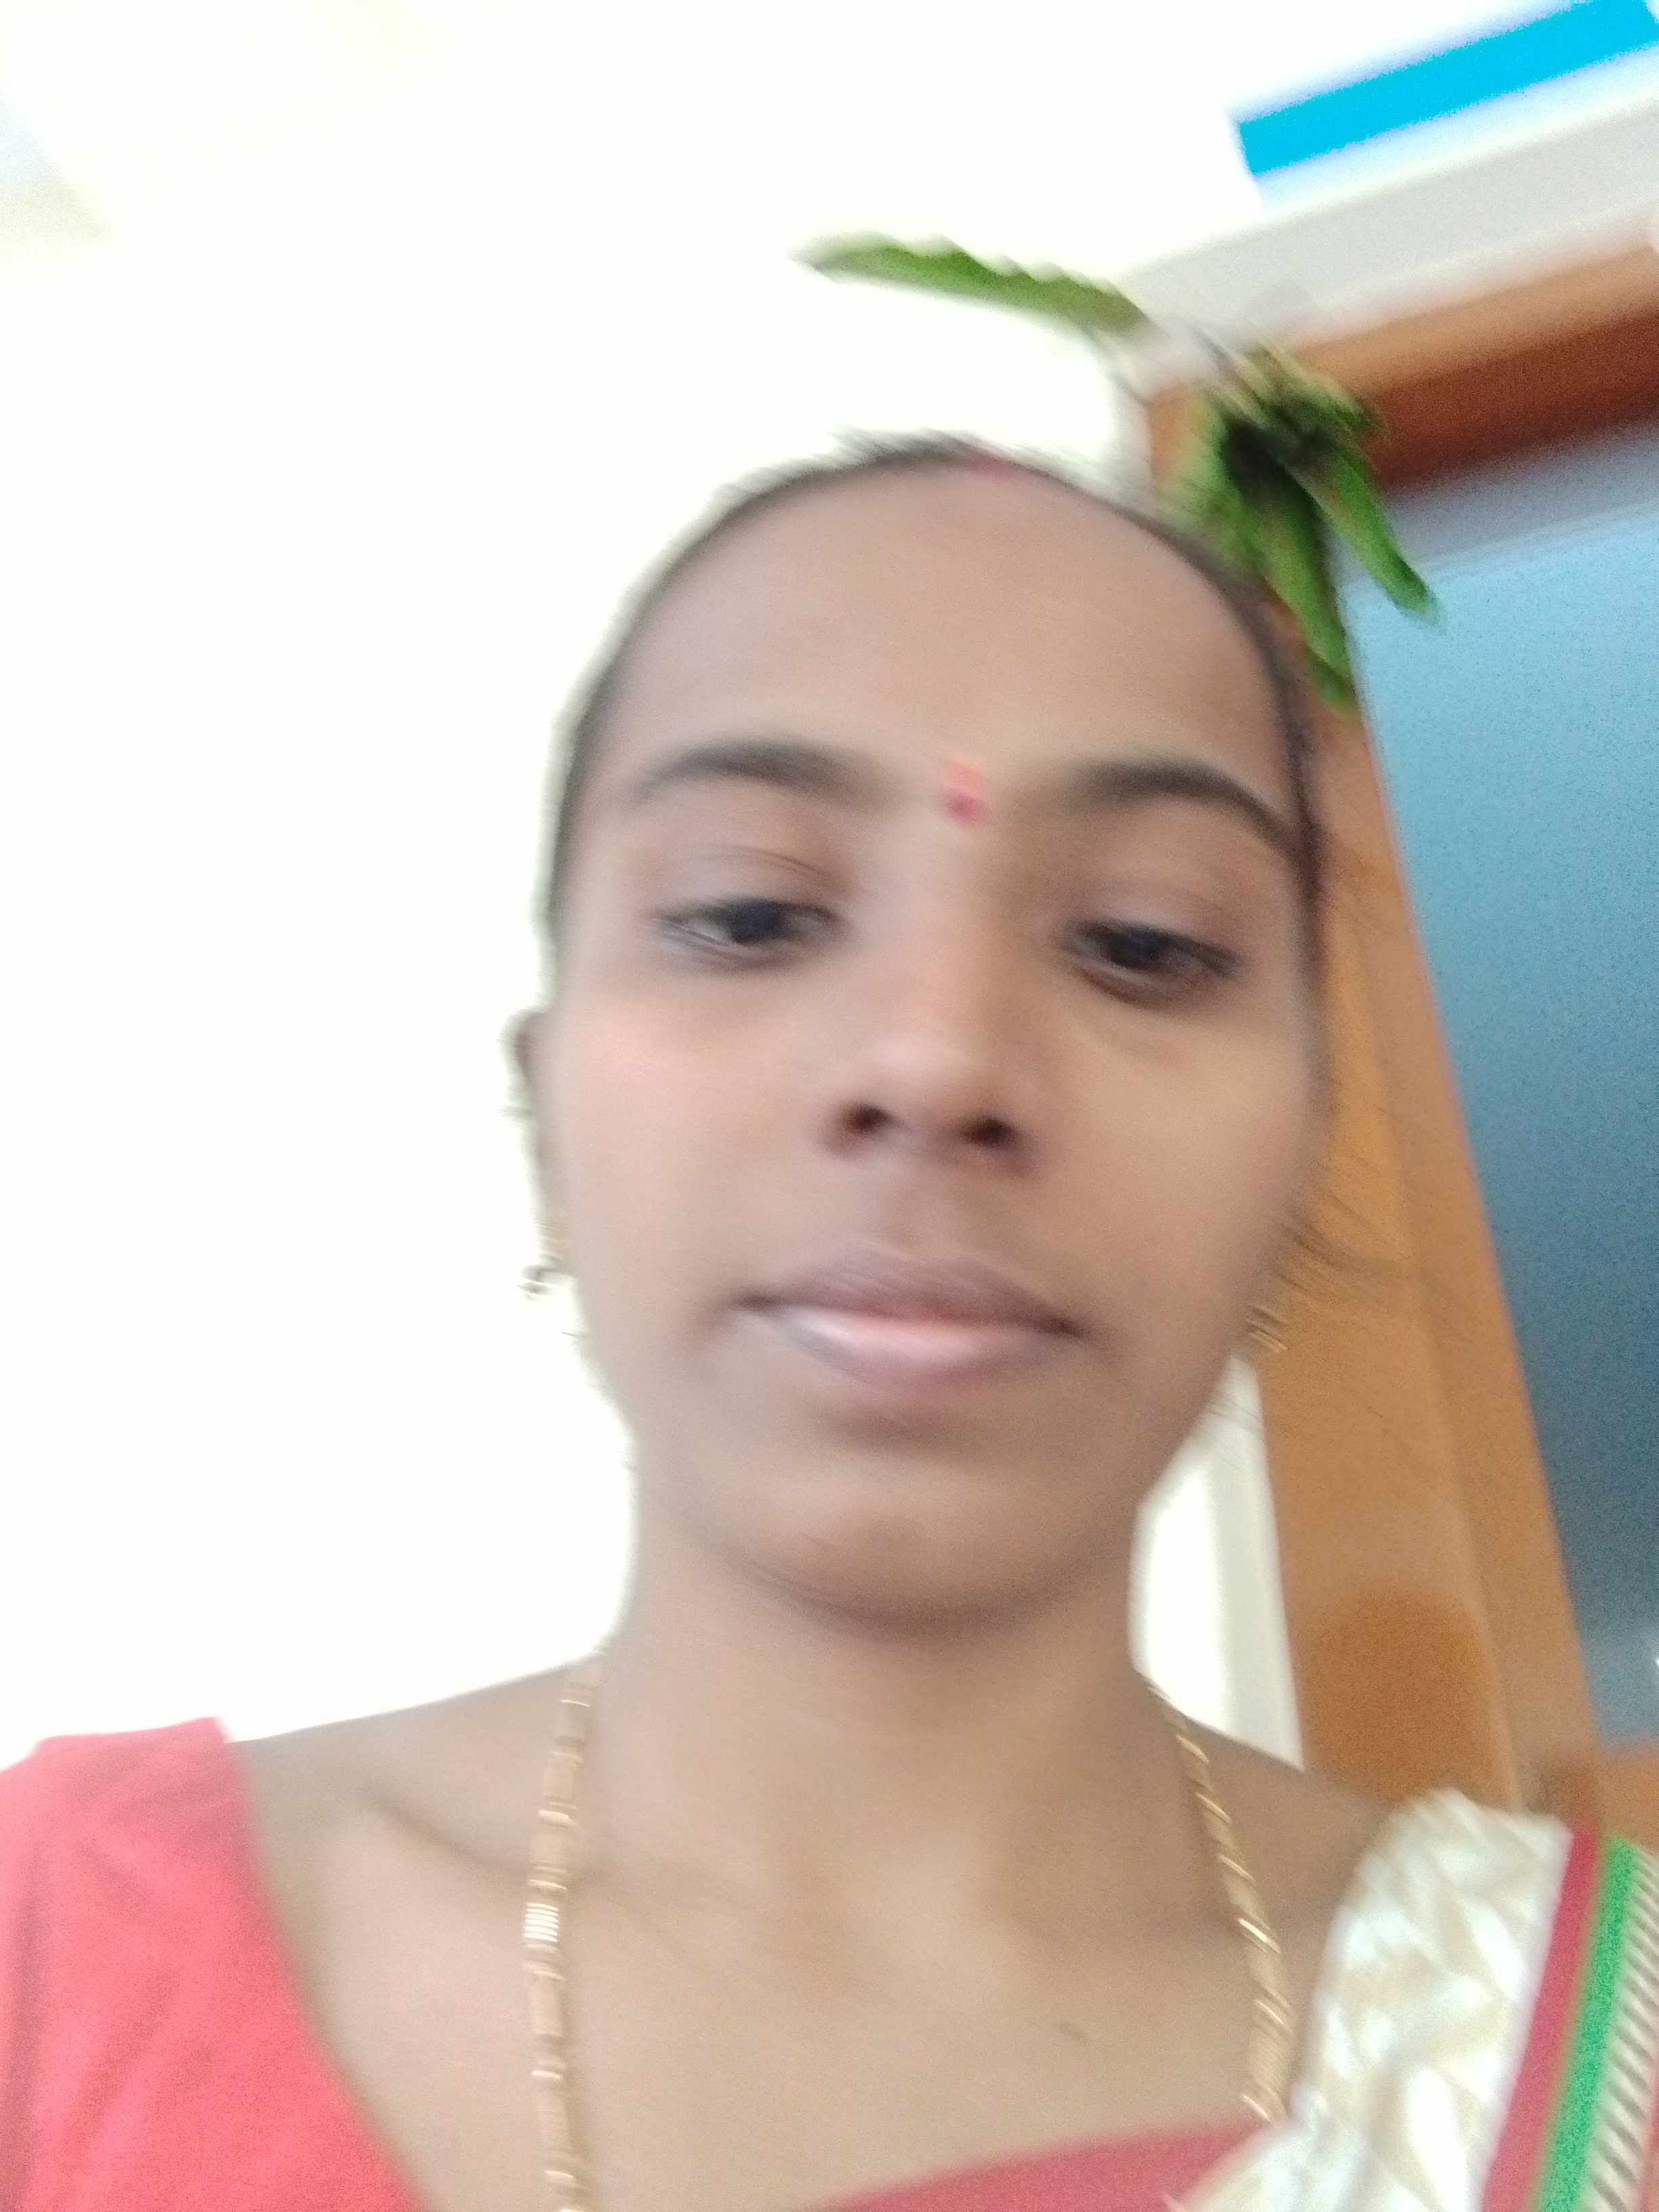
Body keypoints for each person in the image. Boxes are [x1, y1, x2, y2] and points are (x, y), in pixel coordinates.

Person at [2, 438, 1654, 2212]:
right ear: (542, 1120)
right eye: (750, 914)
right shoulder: (54, 1949)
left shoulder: (1591, 2054)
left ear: (1305, 1146)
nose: (935, 1059)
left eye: (1143, 941)